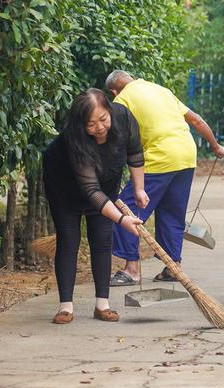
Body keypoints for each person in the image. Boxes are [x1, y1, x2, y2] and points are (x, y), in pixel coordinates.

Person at [105, 70, 224, 286]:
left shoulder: (122, 99)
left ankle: (132, 270)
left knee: (126, 209)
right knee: (172, 213)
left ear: (113, 91)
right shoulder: (161, 90)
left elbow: (120, 138)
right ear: (131, 78)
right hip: (187, 155)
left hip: (160, 158)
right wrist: (216, 146)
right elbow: (196, 120)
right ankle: (173, 267)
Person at [43, 88, 148, 324]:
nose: (100, 127)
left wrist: (139, 188)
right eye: (91, 124)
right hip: (64, 187)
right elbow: (90, 191)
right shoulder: (74, 139)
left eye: (103, 119)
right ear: (81, 124)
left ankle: (103, 305)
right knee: (69, 239)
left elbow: (135, 152)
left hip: (104, 182)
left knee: (102, 240)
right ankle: (66, 307)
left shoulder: (123, 117)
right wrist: (122, 219)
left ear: (110, 111)